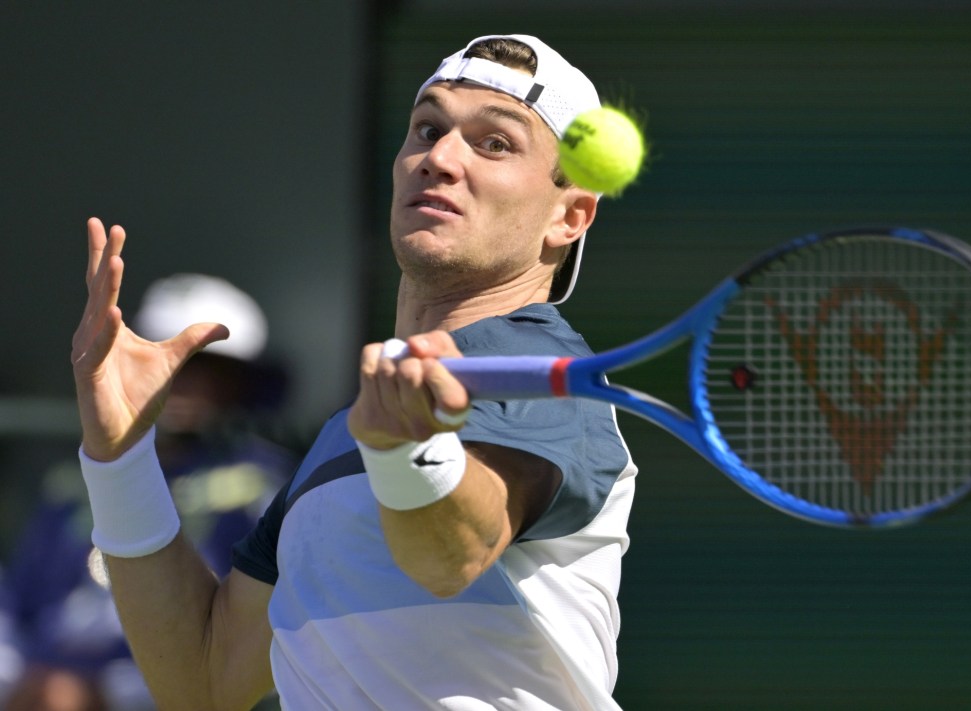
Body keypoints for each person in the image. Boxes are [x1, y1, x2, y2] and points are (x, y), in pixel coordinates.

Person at [70, 34, 637, 710]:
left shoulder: (547, 372)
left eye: (495, 144)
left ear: (569, 216)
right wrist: (121, 455)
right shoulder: (345, 435)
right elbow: (205, 679)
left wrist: (407, 447)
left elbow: (451, 555)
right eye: (427, 128)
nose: (441, 158)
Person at [7, 275, 296, 711]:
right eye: (160, 360)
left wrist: (108, 695)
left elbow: (262, 653)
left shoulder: (266, 489)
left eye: (203, 368)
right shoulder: (71, 480)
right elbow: (17, 604)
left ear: (238, 383)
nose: (178, 380)